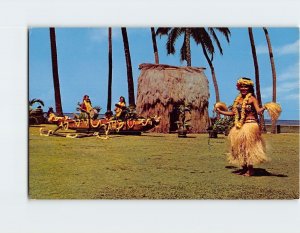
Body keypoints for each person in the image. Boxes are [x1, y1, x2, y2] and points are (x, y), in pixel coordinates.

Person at [215, 77, 268, 176]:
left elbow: (258, 111)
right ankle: (244, 168)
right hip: (240, 125)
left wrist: (265, 107)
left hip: (250, 125)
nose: (243, 88)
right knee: (239, 147)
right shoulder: (238, 100)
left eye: (246, 87)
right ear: (239, 88)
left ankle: (250, 169)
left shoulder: (252, 99)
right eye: (242, 87)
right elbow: (232, 113)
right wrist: (220, 111)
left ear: (249, 88)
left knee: (249, 148)